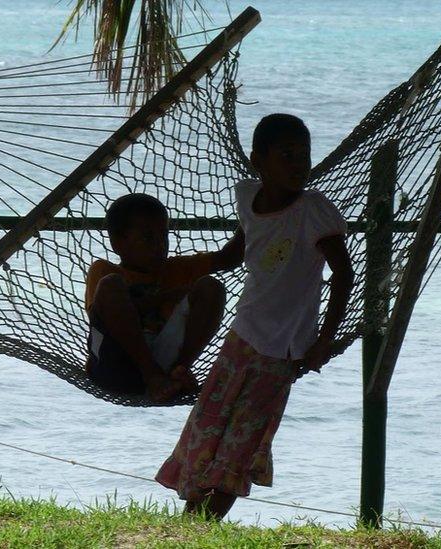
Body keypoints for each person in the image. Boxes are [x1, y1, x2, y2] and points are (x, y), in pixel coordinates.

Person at [155, 113, 353, 520]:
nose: (300, 164)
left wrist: (323, 341)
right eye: (287, 155)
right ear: (257, 160)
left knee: (243, 440)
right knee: (208, 424)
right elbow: (233, 254)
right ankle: (192, 519)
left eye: (304, 155)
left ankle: (203, 523)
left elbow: (345, 275)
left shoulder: (313, 211)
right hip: (241, 336)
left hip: (280, 351)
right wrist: (172, 275)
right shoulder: (249, 198)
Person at [85, 193, 238, 402]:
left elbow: (228, 259)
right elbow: (113, 316)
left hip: (165, 364)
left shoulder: (176, 269)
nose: (160, 245)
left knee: (211, 287)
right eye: (148, 238)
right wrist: (170, 296)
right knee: (112, 284)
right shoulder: (104, 271)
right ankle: (153, 376)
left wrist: (257, 211)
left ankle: (180, 371)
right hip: (114, 365)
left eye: (164, 235)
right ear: (118, 242)